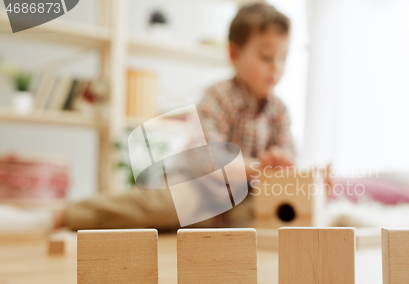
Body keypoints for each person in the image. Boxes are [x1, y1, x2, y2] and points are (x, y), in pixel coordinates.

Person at [55, 3, 295, 231]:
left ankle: (207, 222)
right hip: (197, 184)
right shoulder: (219, 96)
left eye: (283, 58)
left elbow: (288, 161)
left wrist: (286, 165)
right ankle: (65, 215)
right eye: (266, 57)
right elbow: (211, 158)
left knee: (270, 213)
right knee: (163, 207)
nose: (276, 67)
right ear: (234, 54)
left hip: (240, 197)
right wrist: (260, 166)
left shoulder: (279, 110)